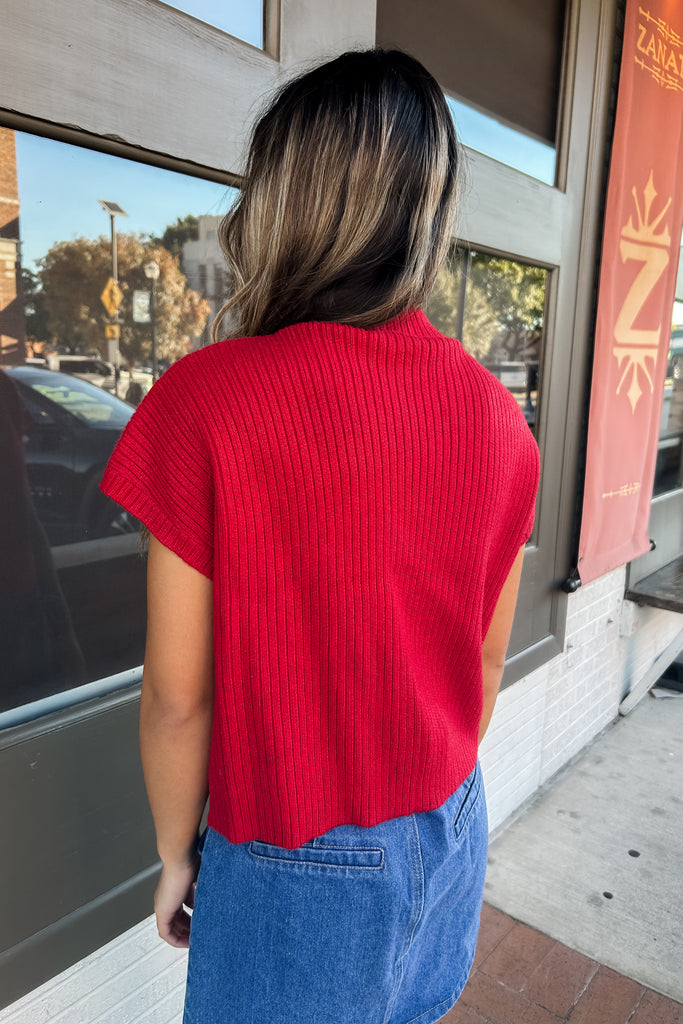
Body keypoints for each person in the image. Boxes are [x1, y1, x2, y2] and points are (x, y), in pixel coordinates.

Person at [100, 47, 539, 1024]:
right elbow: (484, 660)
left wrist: (175, 855)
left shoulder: (210, 402)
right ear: (427, 213)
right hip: (448, 824)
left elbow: (177, 699)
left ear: (278, 202)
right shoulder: (497, 421)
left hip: (293, 864)